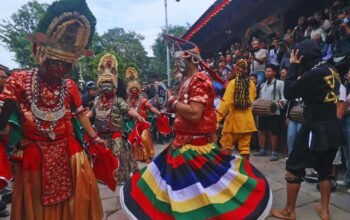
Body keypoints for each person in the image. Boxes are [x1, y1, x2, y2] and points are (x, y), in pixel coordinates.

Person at [120, 40, 272, 219]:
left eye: (179, 59)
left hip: (196, 147)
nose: (177, 64)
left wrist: (171, 102)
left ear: (190, 58)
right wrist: (169, 108)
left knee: (205, 189)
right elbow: (182, 109)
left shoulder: (200, 79)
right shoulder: (186, 80)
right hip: (182, 144)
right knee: (177, 188)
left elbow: (194, 114)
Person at [0, 0, 104, 219]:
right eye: (53, 63)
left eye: (65, 65)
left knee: (81, 192)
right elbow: (4, 109)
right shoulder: (20, 80)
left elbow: (80, 113)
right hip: (34, 151)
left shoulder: (70, 85)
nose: (59, 69)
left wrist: (94, 138)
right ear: (40, 55)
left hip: (68, 149)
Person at [271, 40, 342, 220]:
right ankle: (325, 212)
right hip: (332, 127)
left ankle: (289, 211)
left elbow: (289, 92)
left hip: (314, 128)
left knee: (294, 167)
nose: (295, 59)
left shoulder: (314, 74)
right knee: (325, 171)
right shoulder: (332, 70)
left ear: (302, 56)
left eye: (296, 56)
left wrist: (293, 68)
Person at [90, 53, 143, 185]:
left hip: (115, 135)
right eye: (104, 84)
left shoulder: (118, 100)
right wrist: (80, 117)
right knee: (101, 157)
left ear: (114, 87)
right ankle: (105, 176)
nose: (106, 87)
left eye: (109, 84)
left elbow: (128, 109)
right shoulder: (97, 100)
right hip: (101, 136)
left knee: (120, 155)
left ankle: (121, 177)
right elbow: (91, 114)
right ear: (100, 86)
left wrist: (137, 115)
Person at [217, 59, 257, 160]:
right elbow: (253, 98)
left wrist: (216, 119)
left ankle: (227, 171)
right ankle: (245, 170)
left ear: (236, 70)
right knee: (245, 148)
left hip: (233, 122)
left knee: (226, 146)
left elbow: (226, 103)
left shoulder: (232, 83)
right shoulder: (252, 84)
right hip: (248, 122)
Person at [254, 64, 286, 161]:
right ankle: (263, 149)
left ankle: (274, 152)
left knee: (273, 132)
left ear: (274, 73)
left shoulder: (280, 83)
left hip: (274, 111)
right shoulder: (263, 84)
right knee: (262, 130)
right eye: (266, 71)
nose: (267, 73)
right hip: (264, 112)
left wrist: (280, 102)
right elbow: (260, 98)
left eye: (269, 71)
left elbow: (284, 98)